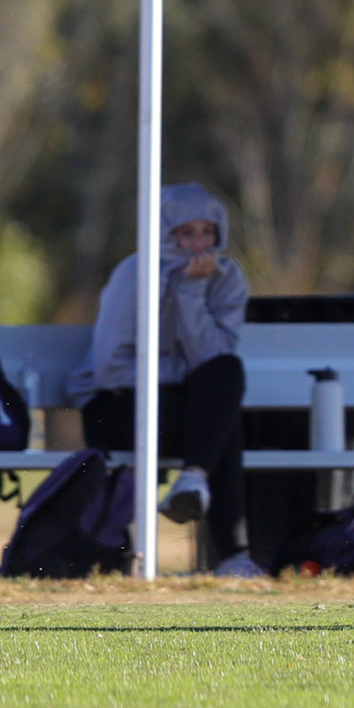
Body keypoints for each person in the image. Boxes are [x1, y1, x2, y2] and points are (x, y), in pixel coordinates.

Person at [68, 183, 261, 577]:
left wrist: (191, 291)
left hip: (180, 407)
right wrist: (183, 374)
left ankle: (194, 486)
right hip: (116, 405)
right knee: (221, 425)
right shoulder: (134, 274)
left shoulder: (226, 278)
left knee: (227, 378)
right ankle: (233, 553)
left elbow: (215, 361)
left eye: (207, 233)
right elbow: (110, 368)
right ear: (164, 232)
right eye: (186, 233)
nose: (199, 244)